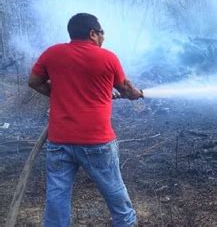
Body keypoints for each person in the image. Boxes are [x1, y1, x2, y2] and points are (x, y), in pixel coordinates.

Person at [28, 13, 142, 226]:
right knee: (116, 194)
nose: (103, 37)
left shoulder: (52, 54)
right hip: (97, 142)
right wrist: (135, 92)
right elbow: (126, 88)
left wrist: (57, 92)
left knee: (56, 198)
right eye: (101, 33)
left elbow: (34, 81)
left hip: (59, 142)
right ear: (92, 34)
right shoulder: (107, 58)